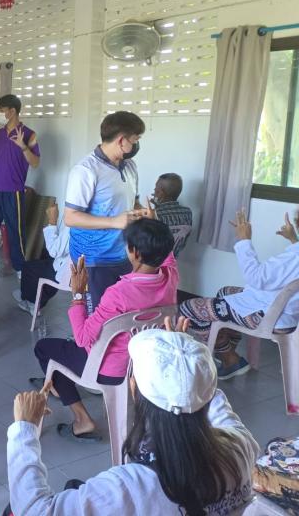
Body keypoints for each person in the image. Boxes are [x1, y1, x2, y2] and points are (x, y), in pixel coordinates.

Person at [7, 318, 259, 515]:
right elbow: (208, 397)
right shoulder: (240, 446)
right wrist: (185, 363)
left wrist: (24, 430)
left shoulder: (128, 488)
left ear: (134, 389)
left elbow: (33, 510)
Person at [33, 218, 177, 442]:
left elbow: (82, 338)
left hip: (108, 370)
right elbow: (170, 258)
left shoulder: (118, 293)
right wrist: (155, 222)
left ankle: (82, 419)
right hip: (142, 365)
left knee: (44, 348)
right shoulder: (170, 277)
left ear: (135, 252)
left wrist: (78, 294)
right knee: (65, 353)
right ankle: (58, 386)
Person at [179, 208, 299, 380]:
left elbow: (256, 278)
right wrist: (294, 240)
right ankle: (229, 352)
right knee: (224, 292)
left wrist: (244, 240)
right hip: (287, 313)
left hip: (269, 316)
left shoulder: (292, 259)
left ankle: (230, 358)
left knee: (187, 308)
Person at [64, 111, 146, 313]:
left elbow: (132, 202)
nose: (136, 145)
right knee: (99, 317)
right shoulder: (85, 171)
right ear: (121, 140)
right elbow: (70, 217)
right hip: (94, 259)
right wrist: (114, 222)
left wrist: (142, 213)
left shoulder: (130, 166)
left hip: (124, 254)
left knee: (120, 313)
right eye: (135, 140)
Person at [0, 94, 40, 278]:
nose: (1, 114)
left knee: (15, 231)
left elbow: (35, 163)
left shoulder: (29, 134)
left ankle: (20, 268)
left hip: (14, 190)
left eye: (2, 111)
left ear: (12, 111)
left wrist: (23, 146)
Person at [14, 199, 70, 315]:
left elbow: (54, 251)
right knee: (44, 256)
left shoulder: (76, 224)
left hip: (70, 273)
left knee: (28, 267)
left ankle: (32, 302)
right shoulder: (103, 219)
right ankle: (35, 296)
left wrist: (52, 221)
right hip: (90, 272)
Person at [150, 173, 193, 257]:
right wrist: (157, 206)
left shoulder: (155, 214)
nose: (154, 190)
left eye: (156, 188)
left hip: (152, 261)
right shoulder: (188, 212)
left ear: (161, 193)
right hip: (172, 260)